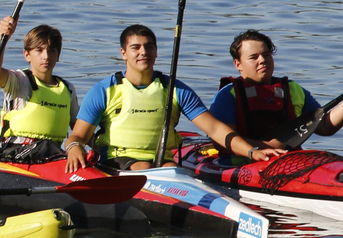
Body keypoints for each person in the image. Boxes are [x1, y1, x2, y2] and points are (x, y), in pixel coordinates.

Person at [64, 24, 284, 172]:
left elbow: (215, 129)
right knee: (145, 168)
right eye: (136, 47)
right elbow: (78, 136)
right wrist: (74, 147)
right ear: (123, 53)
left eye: (149, 47)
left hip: (163, 165)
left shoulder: (176, 90)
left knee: (171, 170)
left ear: (157, 52)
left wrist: (251, 151)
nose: (143, 52)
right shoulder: (104, 91)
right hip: (118, 163)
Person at [207, 29, 343, 147]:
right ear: (238, 64)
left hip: (287, 163)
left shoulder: (293, 90)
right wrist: (265, 147)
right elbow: (222, 140)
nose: (262, 60)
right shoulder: (228, 95)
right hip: (241, 164)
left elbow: (324, 127)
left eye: (266, 55)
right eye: (253, 57)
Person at [0, 17, 75, 163]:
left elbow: (79, 129)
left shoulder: (67, 89)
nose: (46, 56)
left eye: (51, 51)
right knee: (47, 146)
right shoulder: (19, 81)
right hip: (13, 152)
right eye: (39, 50)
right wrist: (3, 38)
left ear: (58, 55)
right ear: (27, 55)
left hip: (50, 156)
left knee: (51, 147)